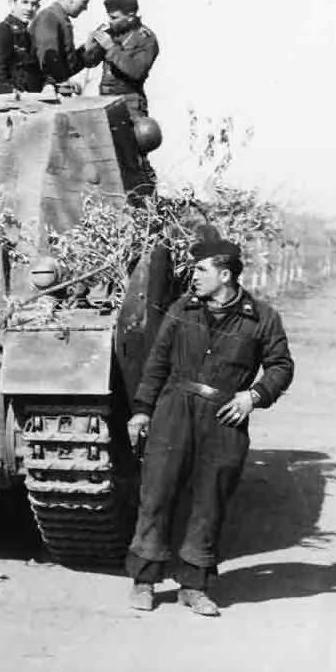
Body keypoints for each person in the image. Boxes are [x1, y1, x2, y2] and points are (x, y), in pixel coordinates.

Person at [125, 238, 295, 617]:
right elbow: (156, 363)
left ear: (225, 274)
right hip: (174, 407)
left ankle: (194, 586)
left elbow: (281, 365)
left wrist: (253, 396)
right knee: (157, 494)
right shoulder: (182, 309)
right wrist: (141, 411)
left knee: (210, 501)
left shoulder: (262, 317)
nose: (194, 276)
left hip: (225, 415)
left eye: (200, 269)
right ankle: (144, 581)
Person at [86, 0, 160, 117]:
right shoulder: (112, 32)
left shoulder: (145, 38)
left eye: (114, 18)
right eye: (109, 17)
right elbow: (90, 62)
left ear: (130, 16)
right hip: (104, 100)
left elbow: (136, 71)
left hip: (130, 102)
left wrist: (111, 47)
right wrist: (90, 47)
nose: (109, 21)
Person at [29, 0, 99, 90]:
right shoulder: (49, 18)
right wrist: (62, 82)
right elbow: (48, 61)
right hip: (44, 91)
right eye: (84, 2)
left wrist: (86, 50)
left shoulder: (58, 18)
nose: (85, 8)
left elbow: (66, 67)